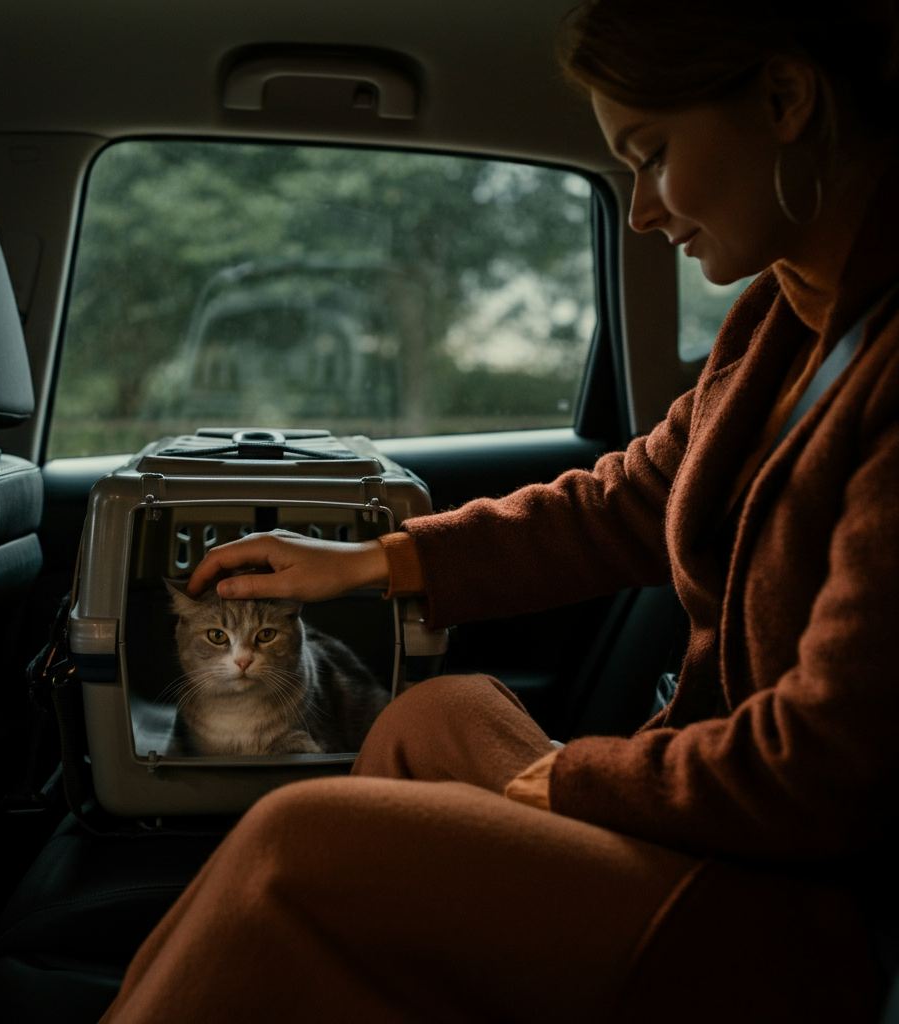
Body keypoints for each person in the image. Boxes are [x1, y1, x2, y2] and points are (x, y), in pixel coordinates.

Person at [100, 1, 899, 1021]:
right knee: (434, 712)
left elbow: (827, 768)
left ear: (785, 98)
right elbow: (628, 501)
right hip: (726, 831)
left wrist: (576, 782)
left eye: (652, 156)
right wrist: (370, 560)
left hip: (810, 914)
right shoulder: (780, 319)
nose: (642, 212)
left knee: (295, 845)